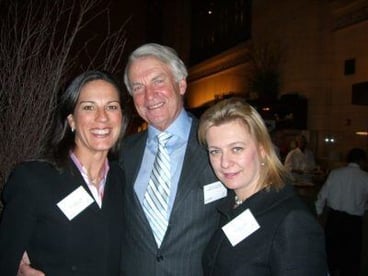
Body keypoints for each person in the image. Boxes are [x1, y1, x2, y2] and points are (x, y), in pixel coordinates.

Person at [0, 70, 128, 276]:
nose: (102, 117)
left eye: (111, 107)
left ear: (121, 118)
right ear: (71, 121)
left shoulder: (120, 179)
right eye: (89, 107)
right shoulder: (33, 179)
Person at [119, 43, 228, 275]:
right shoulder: (121, 153)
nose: (149, 95)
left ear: (181, 84)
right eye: (138, 87)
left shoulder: (216, 143)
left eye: (158, 81)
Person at [198, 97, 328, 275]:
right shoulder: (230, 204)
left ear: (262, 150)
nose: (224, 162)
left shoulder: (293, 221)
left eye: (236, 149)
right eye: (215, 151)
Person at [315, 148, 368, 276]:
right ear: (361, 161)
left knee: (330, 257)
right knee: (351, 260)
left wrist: (318, 214)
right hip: (354, 223)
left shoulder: (335, 173)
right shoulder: (365, 177)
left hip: (334, 220)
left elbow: (322, 196)